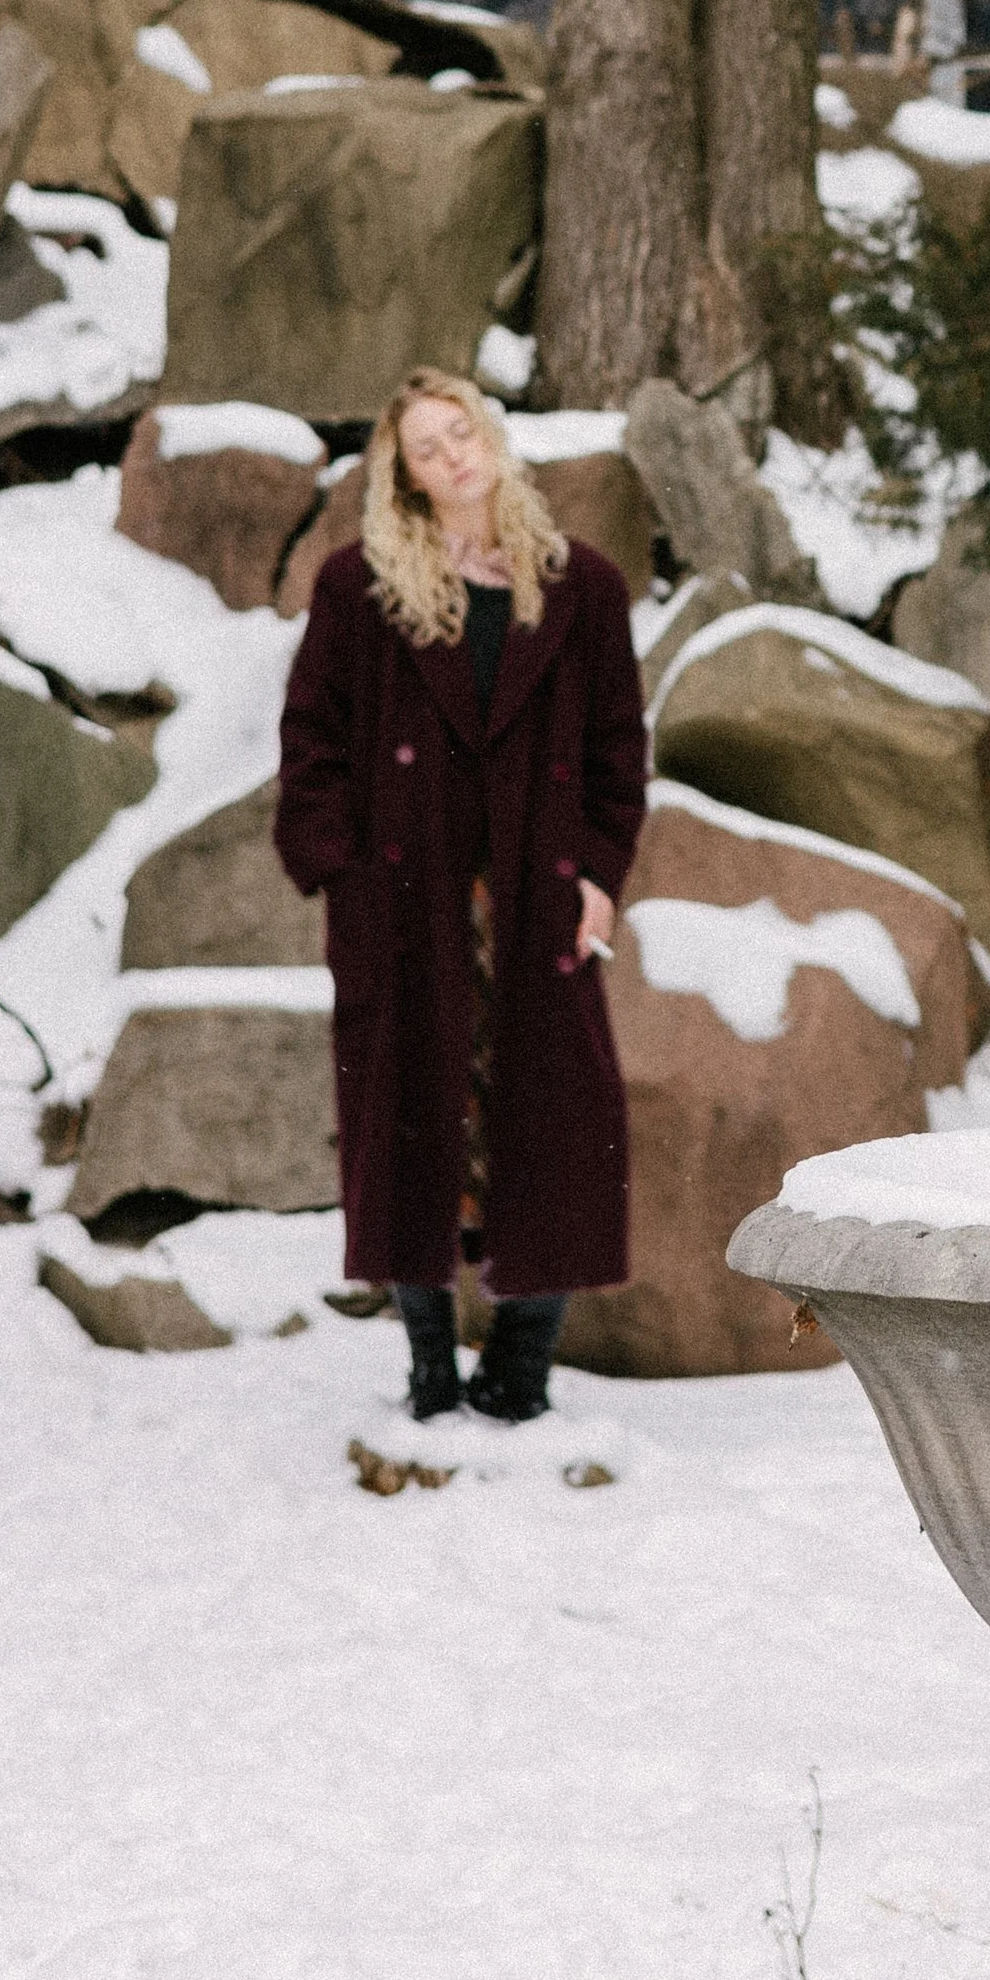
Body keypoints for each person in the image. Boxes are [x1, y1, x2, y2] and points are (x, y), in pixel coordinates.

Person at [275, 369, 648, 1423]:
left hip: (539, 896)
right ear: (403, 478)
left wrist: (600, 881)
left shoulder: (583, 587)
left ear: (491, 437)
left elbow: (618, 753)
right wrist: (343, 870)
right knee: (406, 1121)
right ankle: (431, 1368)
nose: (452, 457)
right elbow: (310, 742)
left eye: (461, 433)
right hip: (404, 901)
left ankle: (522, 1369)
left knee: (564, 1122)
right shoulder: (362, 589)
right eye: (426, 450)